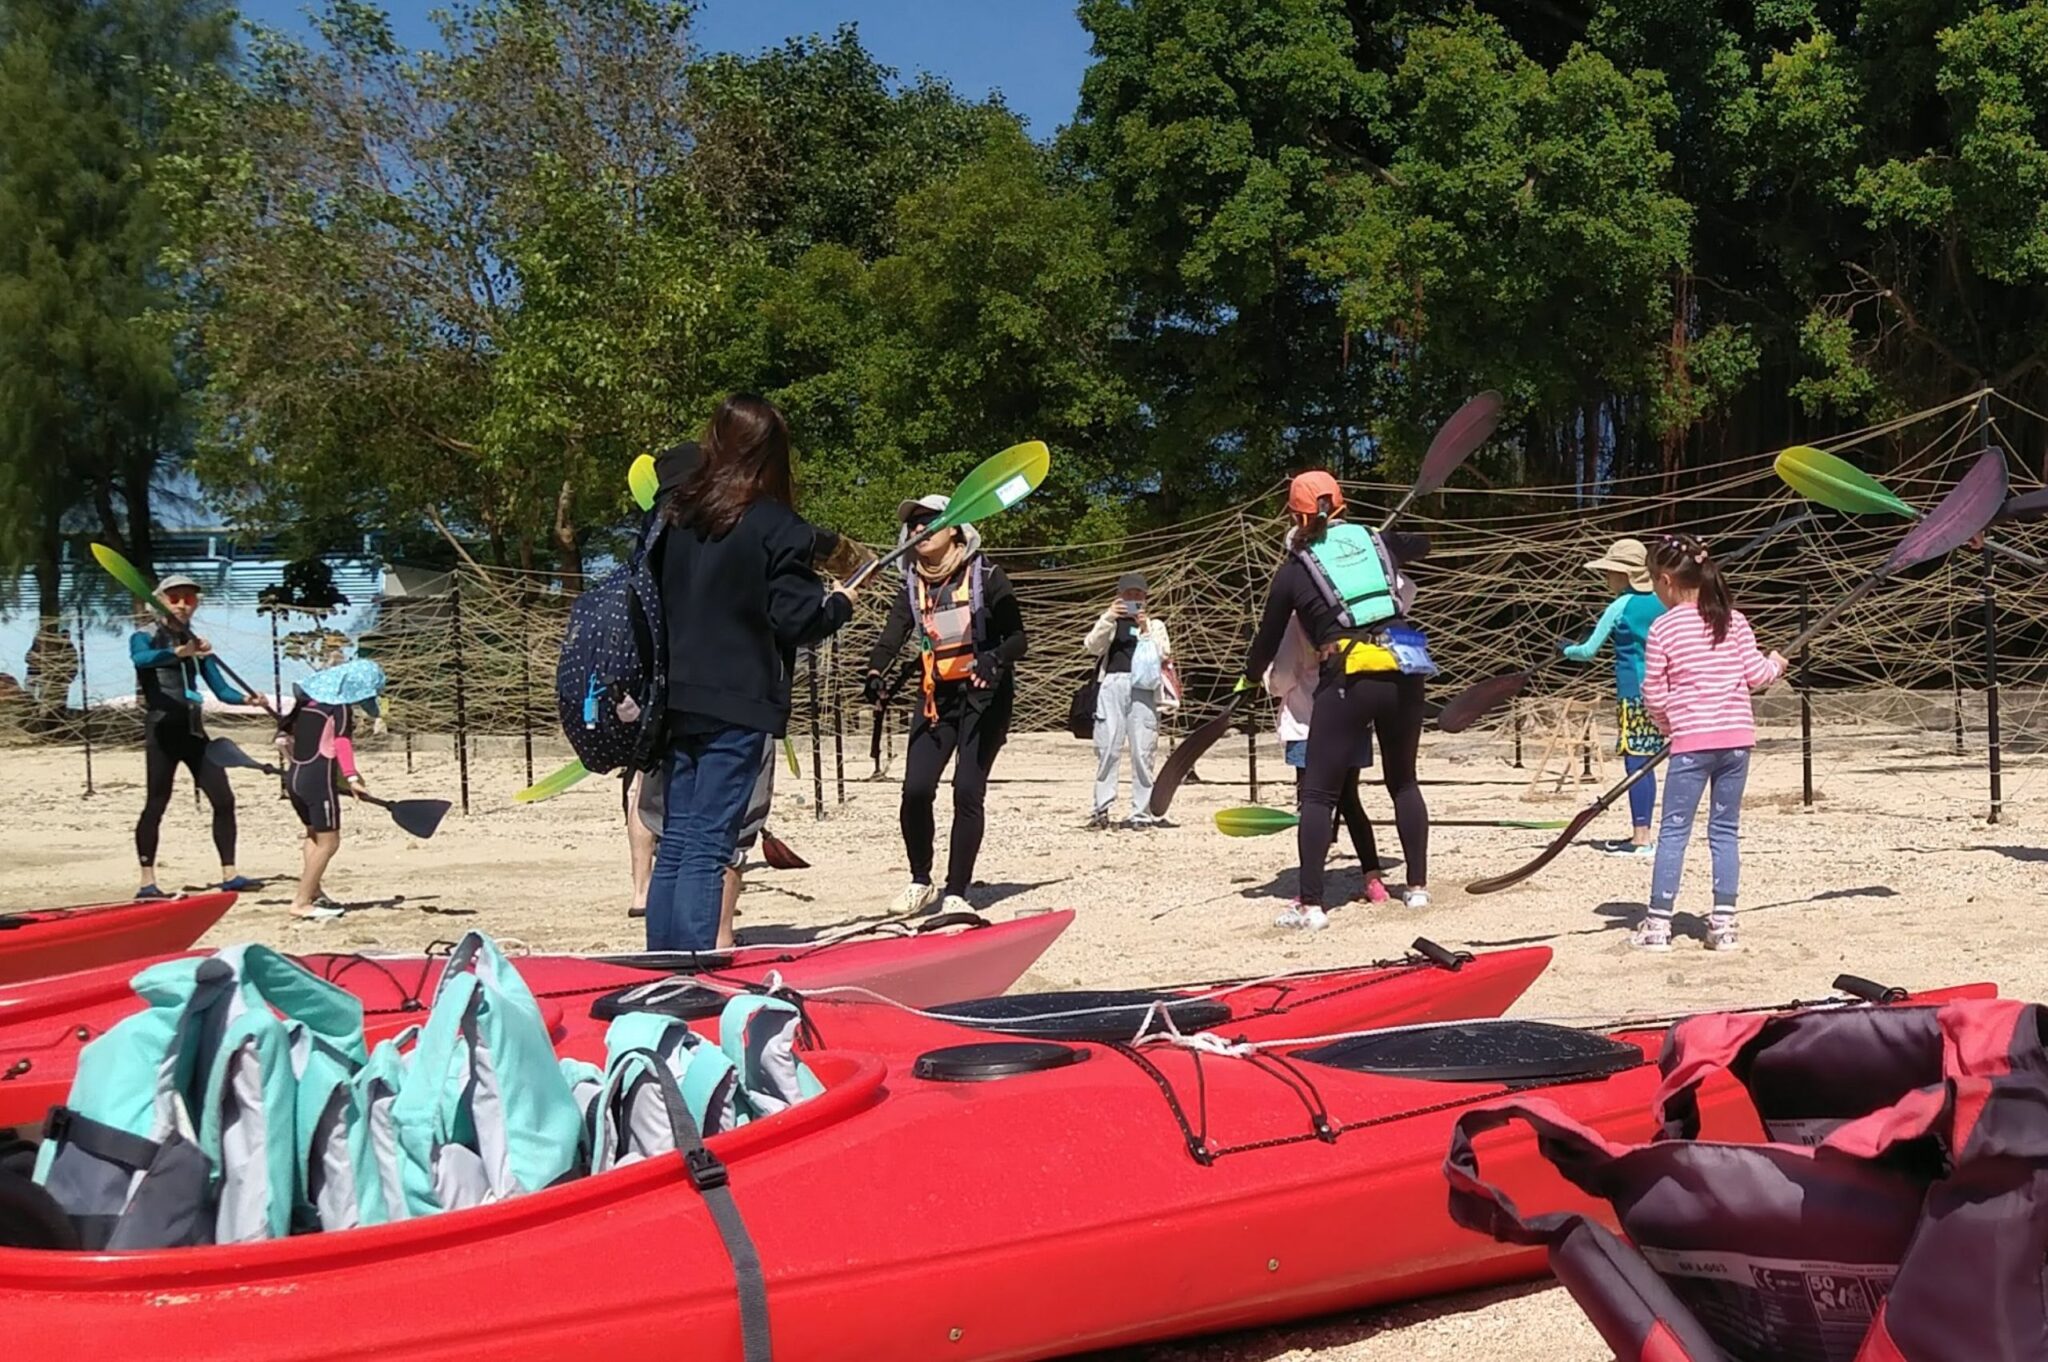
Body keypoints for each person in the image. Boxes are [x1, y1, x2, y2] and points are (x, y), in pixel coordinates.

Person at [647, 396, 855, 952]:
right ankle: (687, 973)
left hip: (674, 697)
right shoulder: (776, 524)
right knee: (710, 844)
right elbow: (795, 620)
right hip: (737, 700)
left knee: (676, 839)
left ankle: (657, 963)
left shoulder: (676, 514)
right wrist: (840, 603)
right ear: (773, 453)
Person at [1243, 472, 1431, 929]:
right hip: (1405, 668)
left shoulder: (1294, 567)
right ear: (1343, 505)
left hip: (1348, 676)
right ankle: (1417, 889)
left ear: (1294, 515)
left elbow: (1268, 639)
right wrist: (1385, 544)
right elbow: (1422, 544)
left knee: (1318, 795)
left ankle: (1311, 906)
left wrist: (1250, 678)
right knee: (1403, 782)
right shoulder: (1379, 540)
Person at [865, 494, 1028, 917]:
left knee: (966, 791)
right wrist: (875, 673)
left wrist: (993, 659)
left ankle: (957, 891)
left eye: (928, 522)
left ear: (955, 527)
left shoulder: (986, 574)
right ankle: (921, 880)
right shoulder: (912, 583)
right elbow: (892, 636)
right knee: (916, 790)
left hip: (985, 696)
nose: (917, 531)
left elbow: (1017, 638)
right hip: (937, 697)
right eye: (912, 525)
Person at [1636, 533, 1787, 953]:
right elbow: (1756, 676)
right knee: (1724, 829)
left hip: (1691, 743)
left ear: (1666, 581)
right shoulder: (1733, 620)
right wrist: (1776, 663)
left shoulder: (1664, 627)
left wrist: (1667, 725)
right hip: (1737, 741)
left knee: (1673, 831)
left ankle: (1658, 924)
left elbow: (1653, 692)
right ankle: (1723, 924)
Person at [129, 575, 260, 897]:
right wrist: (179, 652)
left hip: (193, 731)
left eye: (189, 598)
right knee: (156, 803)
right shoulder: (143, 637)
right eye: (175, 598)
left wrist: (247, 699)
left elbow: (220, 688)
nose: (183, 604)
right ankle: (148, 882)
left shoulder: (197, 642)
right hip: (162, 729)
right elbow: (141, 660)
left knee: (224, 799)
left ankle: (230, 874)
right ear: (160, 601)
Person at [1269, 612, 1390, 905]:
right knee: (1349, 800)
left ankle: (1310, 889)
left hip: (1308, 722)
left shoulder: (1299, 618)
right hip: (1352, 714)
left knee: (1312, 806)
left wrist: (1267, 681)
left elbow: (1282, 676)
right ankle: (1373, 880)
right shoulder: (1356, 614)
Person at [1560, 538, 1668, 857]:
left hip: (1634, 692)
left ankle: (1641, 837)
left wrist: (1565, 648)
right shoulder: (1665, 601)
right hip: (1666, 691)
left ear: (1625, 575)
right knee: (1649, 760)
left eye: (1611, 572)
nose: (1607, 579)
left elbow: (1588, 650)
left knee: (1636, 762)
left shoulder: (1619, 606)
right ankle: (1644, 833)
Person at [275, 658, 385, 920]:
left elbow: (282, 741)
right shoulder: (340, 708)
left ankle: (313, 892)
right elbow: (342, 743)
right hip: (317, 781)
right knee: (329, 842)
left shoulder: (305, 705)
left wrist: (298, 765)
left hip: (295, 778)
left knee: (313, 836)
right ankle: (301, 901)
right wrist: (352, 777)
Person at [1083, 572, 1173, 828]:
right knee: (1107, 748)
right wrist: (1108, 617)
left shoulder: (1155, 625)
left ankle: (1141, 813)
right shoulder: (1110, 622)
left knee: (1143, 751)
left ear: (1146, 597)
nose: (1134, 598)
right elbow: (1091, 646)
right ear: (1119, 595)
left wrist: (1144, 629)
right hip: (1112, 684)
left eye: (1138, 594)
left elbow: (1164, 652)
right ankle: (1101, 809)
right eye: (1129, 594)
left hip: (1143, 687)